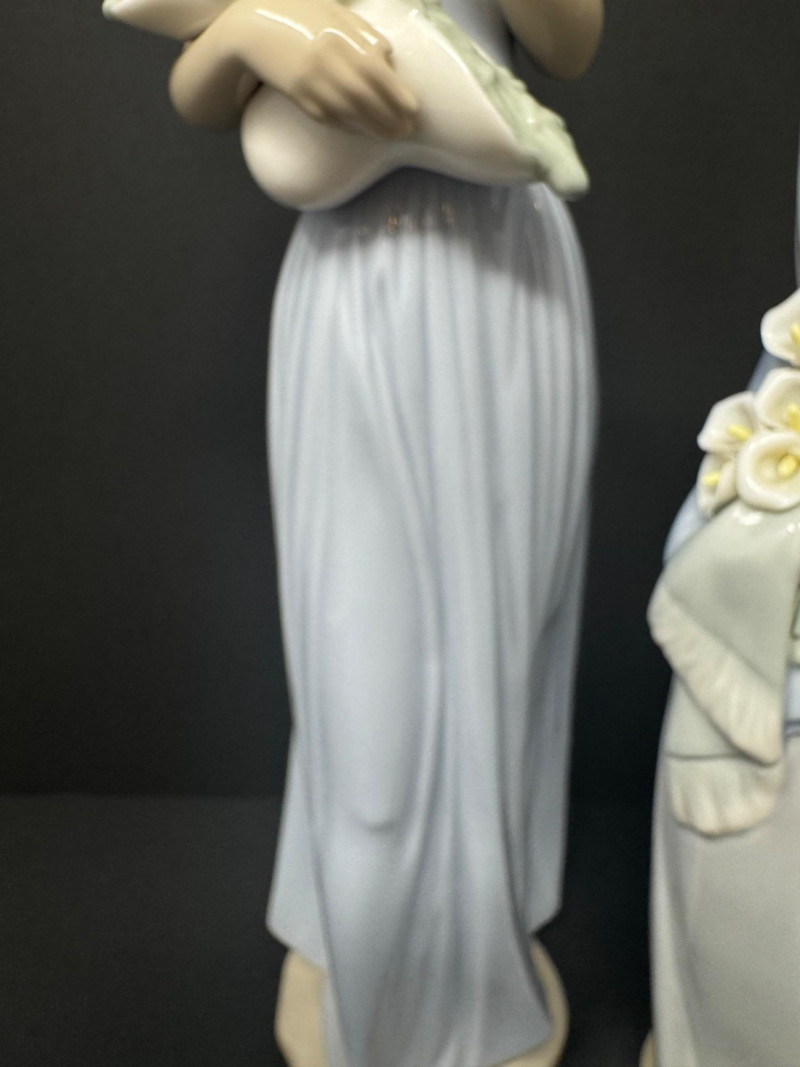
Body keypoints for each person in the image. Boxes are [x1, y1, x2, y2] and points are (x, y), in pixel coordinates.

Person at [166, 1, 603, 1063]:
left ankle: (473, 966)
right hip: (353, 291)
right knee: (360, 688)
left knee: (494, 655)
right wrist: (252, 35)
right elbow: (198, 83)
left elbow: (570, 42)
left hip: (502, 281)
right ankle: (367, 970)